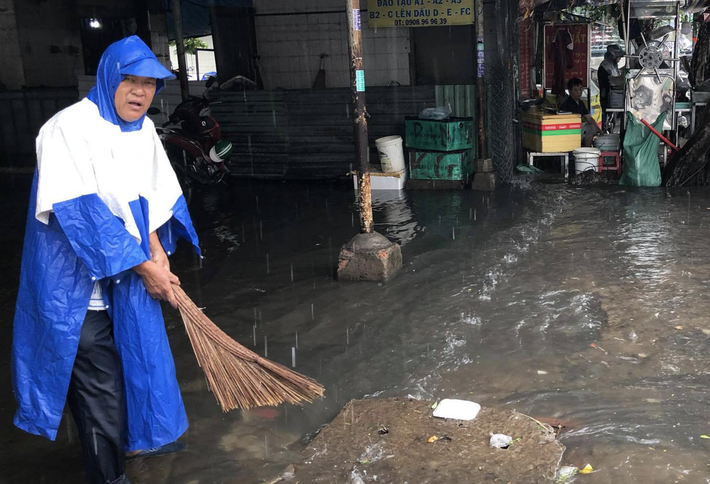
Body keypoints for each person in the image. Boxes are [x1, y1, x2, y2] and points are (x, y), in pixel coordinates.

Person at [11, 36, 201, 484]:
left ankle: (136, 443)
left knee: (140, 361)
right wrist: (145, 267)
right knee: (99, 390)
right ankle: (108, 477)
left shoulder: (142, 131)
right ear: (108, 78)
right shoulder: (68, 128)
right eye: (130, 81)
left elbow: (146, 199)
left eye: (150, 84)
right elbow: (84, 216)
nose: (140, 92)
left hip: (128, 278)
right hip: (75, 286)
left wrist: (155, 250)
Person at [559, 77, 601, 146]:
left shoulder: (581, 103)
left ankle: (587, 148)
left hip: (578, 129)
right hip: (570, 131)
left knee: (591, 127)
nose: (579, 92)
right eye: (575, 90)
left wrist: (600, 131)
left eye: (580, 89)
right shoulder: (566, 105)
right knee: (590, 128)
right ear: (569, 91)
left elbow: (589, 118)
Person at [598, 44, 624, 112]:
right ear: (613, 56)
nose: (619, 59)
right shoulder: (605, 65)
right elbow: (613, 80)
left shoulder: (613, 65)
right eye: (618, 57)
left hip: (614, 95)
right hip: (608, 96)